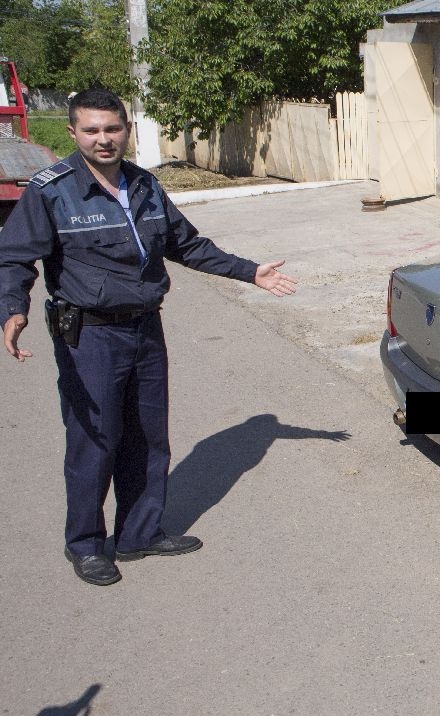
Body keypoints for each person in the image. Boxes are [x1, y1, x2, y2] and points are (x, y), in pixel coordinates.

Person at [0, 87, 298, 586]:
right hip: (89, 337)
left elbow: (186, 244)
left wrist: (250, 272)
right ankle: (85, 544)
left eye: (112, 128)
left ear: (126, 131)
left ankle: (138, 533)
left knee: (146, 435)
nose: (103, 139)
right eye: (91, 130)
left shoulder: (144, 185)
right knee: (95, 441)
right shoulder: (52, 191)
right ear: (73, 133)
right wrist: (13, 309)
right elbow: (12, 258)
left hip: (144, 328)